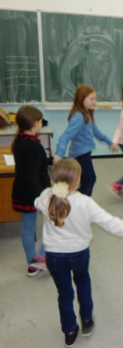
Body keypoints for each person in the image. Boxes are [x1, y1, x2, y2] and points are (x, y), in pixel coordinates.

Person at [34, 159, 123, 348]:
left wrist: (47, 196)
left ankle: (69, 330)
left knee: (64, 294)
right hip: (78, 254)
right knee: (83, 283)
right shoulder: (85, 202)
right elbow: (112, 223)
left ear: (53, 179)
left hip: (53, 256)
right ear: (77, 180)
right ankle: (87, 320)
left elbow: (37, 202)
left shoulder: (46, 196)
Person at [54, 84, 118, 196]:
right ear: (82, 99)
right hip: (80, 156)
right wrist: (59, 154)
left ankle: (78, 204)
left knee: (87, 181)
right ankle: (76, 203)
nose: (95, 101)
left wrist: (110, 143)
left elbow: (96, 132)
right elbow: (65, 136)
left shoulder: (86, 114)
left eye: (95, 99)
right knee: (89, 181)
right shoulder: (79, 116)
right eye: (92, 99)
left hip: (83, 154)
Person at [11, 106, 51, 276]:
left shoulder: (19, 140)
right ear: (35, 123)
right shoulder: (35, 146)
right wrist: (43, 198)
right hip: (35, 193)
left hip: (21, 191)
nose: (42, 123)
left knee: (28, 228)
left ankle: (31, 262)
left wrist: (47, 160)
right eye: (41, 121)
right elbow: (33, 174)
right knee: (51, 225)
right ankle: (40, 258)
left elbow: (31, 165)